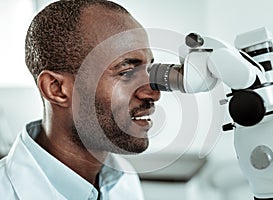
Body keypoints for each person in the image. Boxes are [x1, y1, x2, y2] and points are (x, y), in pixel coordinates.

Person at [0, 0, 160, 199]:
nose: (153, 93)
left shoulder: (123, 181)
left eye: (148, 70)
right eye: (126, 72)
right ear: (56, 89)